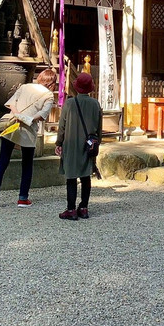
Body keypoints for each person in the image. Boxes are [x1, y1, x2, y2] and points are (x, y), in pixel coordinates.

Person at [0, 68, 56, 208]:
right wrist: (27, 119)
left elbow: (11, 103)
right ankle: (22, 198)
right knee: (27, 163)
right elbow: (42, 115)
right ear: (52, 83)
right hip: (28, 129)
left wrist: (18, 115)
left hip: (12, 124)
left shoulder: (25, 87)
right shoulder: (48, 95)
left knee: (3, 160)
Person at [56, 72, 102, 221]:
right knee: (85, 175)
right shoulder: (95, 104)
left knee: (71, 176)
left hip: (71, 143)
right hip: (88, 144)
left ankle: (71, 209)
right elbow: (99, 127)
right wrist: (97, 144)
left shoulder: (69, 103)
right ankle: (83, 207)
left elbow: (62, 125)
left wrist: (59, 142)